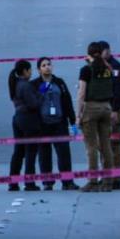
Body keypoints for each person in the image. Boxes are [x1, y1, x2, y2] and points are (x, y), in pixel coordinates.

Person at [31, 57, 80, 191]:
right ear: (39, 69)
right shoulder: (34, 84)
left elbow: (67, 102)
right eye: (43, 65)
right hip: (43, 124)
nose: (47, 67)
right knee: (44, 154)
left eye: (49, 64)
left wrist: (73, 122)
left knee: (64, 152)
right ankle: (47, 182)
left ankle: (67, 181)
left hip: (59, 123)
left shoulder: (60, 83)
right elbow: (32, 103)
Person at [77, 42, 115, 193]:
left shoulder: (86, 70)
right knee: (106, 146)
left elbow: (81, 94)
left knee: (91, 147)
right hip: (106, 107)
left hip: (91, 108)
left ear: (89, 54)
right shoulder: (107, 68)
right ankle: (108, 181)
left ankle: (92, 181)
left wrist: (78, 115)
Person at [8, 60, 43, 192]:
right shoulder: (25, 86)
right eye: (30, 70)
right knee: (31, 151)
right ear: (24, 71)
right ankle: (29, 183)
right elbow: (33, 104)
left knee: (18, 151)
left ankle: (13, 182)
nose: (31, 73)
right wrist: (41, 94)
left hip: (17, 119)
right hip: (29, 120)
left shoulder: (15, 84)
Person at [99, 41, 120, 191]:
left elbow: (118, 90)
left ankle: (116, 178)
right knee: (104, 146)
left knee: (114, 146)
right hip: (103, 110)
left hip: (113, 110)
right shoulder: (100, 66)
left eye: (102, 51)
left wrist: (115, 110)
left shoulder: (115, 67)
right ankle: (108, 176)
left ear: (108, 51)